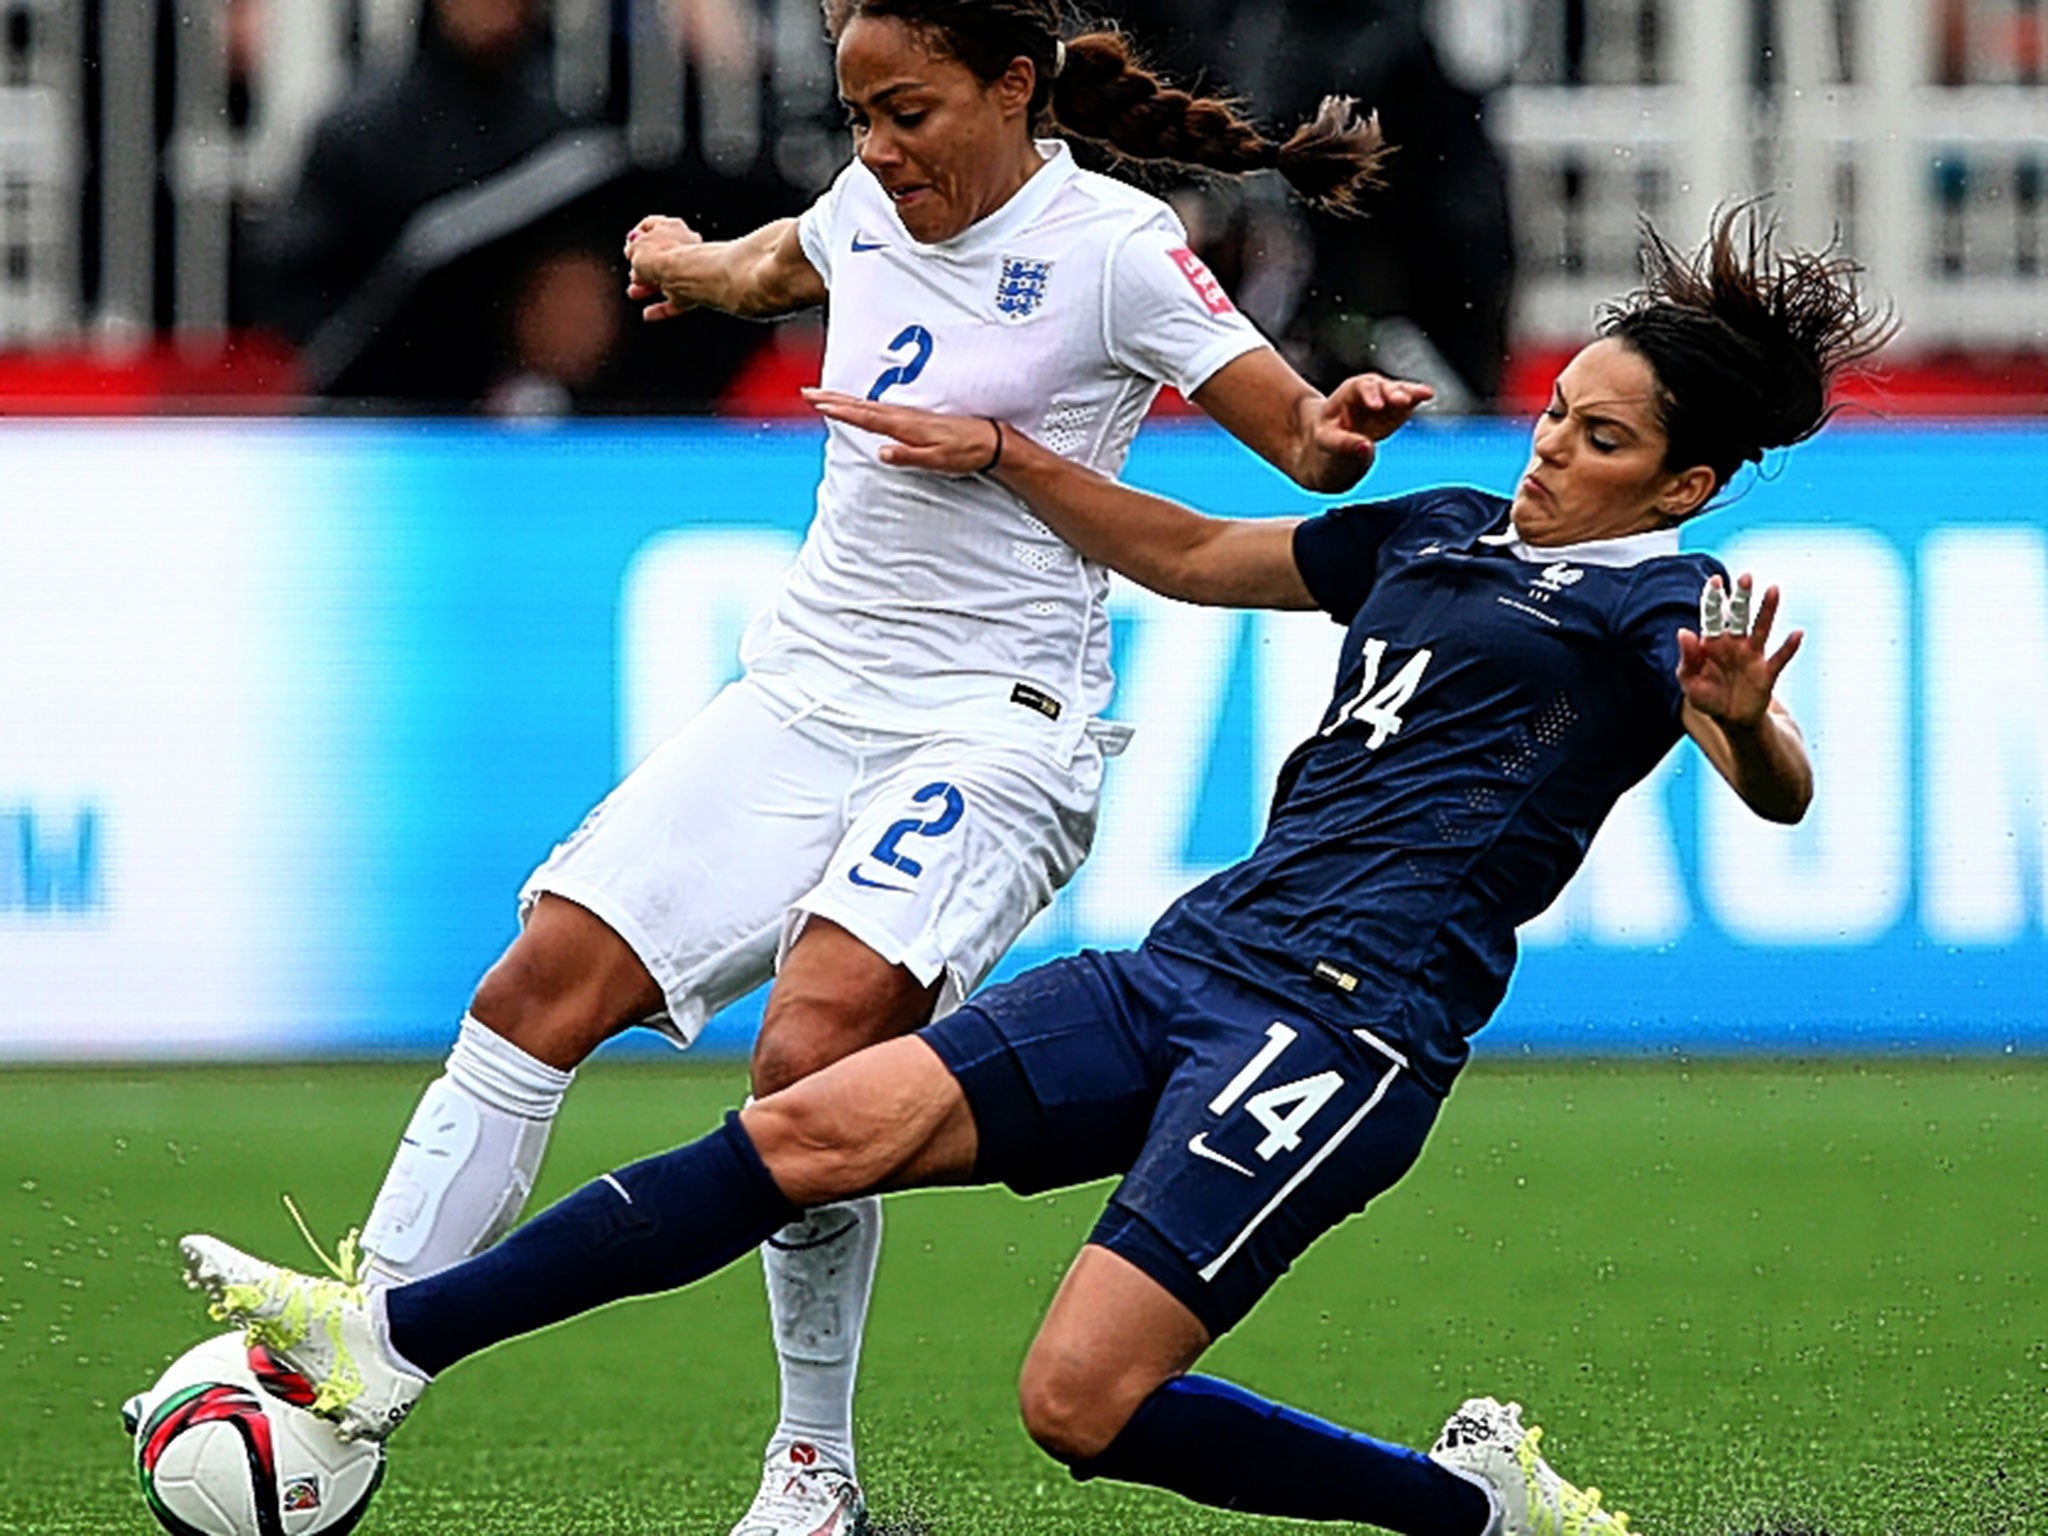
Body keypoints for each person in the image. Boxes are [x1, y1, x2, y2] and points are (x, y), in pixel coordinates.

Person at [183, 205, 1891, 1536]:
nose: (1548, 449)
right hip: (1190, 966)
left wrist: (1744, 725)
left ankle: (1462, 1508)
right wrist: (1008, 457)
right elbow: (1198, 551)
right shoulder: (1438, 531)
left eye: (1599, 444)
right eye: (1559, 412)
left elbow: (1780, 789)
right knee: (798, 1130)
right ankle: (394, 1344)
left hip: (1341, 1038)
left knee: (1078, 1404)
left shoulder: (1655, 609)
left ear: (1685, 480)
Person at [332, 2, 1401, 1532]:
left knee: (810, 1058)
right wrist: (685, 267)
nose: (881, 151)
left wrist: (1340, 424)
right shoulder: (863, 206)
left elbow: (1295, 440)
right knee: (535, 988)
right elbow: (783, 260)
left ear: (1012, 87)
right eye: (860, 120)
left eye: (910, 114)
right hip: (803, 691)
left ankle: (811, 1466)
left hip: (994, 724)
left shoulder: (1108, 246)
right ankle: (350, 1361)